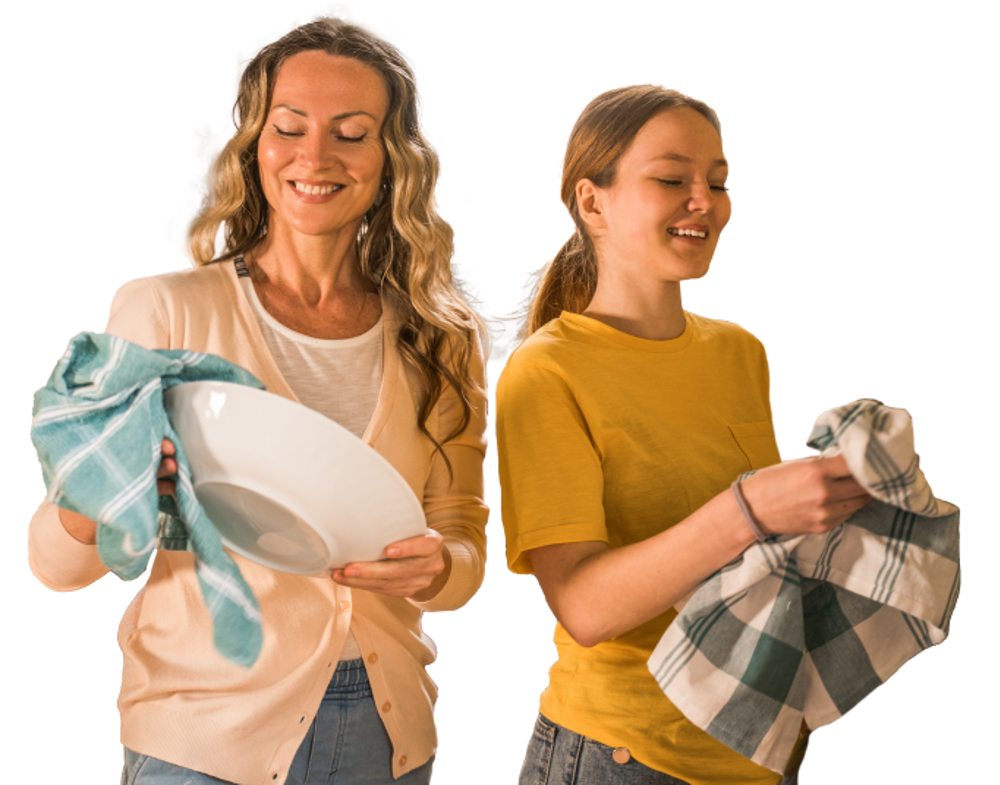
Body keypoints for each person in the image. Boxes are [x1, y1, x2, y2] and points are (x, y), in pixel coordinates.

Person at [25, 9, 491, 785]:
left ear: (392, 157)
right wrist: (104, 488)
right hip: (201, 738)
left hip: (388, 727)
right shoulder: (163, 311)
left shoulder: (442, 336)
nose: (316, 155)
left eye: (351, 131)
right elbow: (54, 566)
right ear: (253, 143)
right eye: (289, 126)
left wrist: (439, 566)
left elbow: (464, 543)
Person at [493, 82, 875, 785]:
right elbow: (583, 605)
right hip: (626, 755)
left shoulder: (740, 351)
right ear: (592, 202)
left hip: (758, 750)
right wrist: (751, 509)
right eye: (672, 179)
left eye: (720, 182)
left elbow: (744, 562)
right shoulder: (546, 373)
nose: (707, 200)